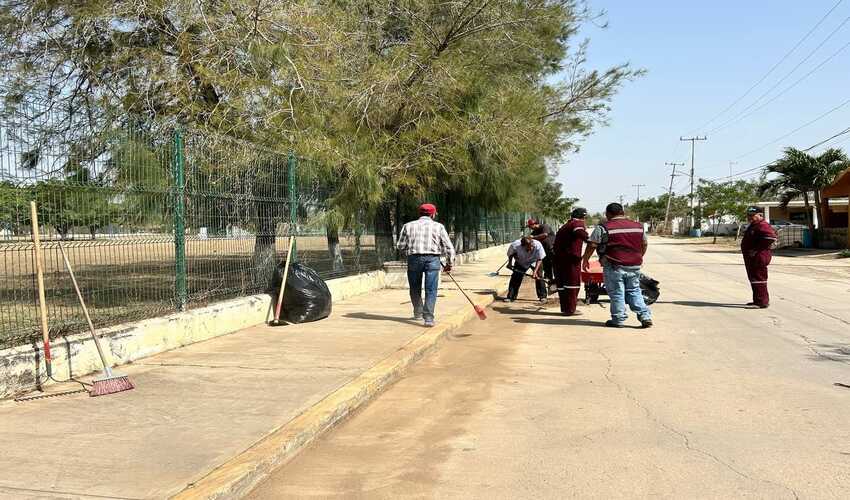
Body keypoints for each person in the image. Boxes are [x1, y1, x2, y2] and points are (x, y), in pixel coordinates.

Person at [581, 203, 652, 328]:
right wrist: (639, 256)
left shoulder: (603, 227)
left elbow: (592, 244)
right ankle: (645, 316)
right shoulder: (638, 226)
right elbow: (644, 243)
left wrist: (585, 259)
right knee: (634, 291)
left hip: (614, 265)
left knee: (617, 292)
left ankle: (618, 319)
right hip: (634, 265)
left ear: (608, 214)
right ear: (622, 212)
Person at [396, 203, 456, 327]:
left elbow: (400, 246)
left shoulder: (408, 226)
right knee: (431, 289)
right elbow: (449, 248)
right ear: (433, 214)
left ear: (420, 213)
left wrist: (409, 250)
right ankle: (428, 318)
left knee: (415, 288)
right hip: (432, 260)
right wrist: (449, 264)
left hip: (414, 259)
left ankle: (418, 313)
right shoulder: (438, 227)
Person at [553, 207, 589, 316]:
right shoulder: (577, 224)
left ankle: (565, 308)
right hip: (570, 260)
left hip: (559, 259)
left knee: (563, 285)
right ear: (583, 217)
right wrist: (590, 240)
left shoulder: (566, 225)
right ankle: (570, 309)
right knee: (572, 284)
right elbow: (581, 234)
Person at [740, 206, 777, 308]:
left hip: (758, 257)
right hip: (752, 258)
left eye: (752, 215)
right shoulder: (754, 225)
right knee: (754, 278)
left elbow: (770, 238)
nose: (749, 217)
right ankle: (757, 300)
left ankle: (761, 302)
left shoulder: (762, 225)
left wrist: (756, 249)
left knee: (758, 278)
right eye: (748, 215)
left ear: (760, 215)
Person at [505, 236, 547, 303]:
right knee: (516, 277)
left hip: (534, 261)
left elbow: (539, 259)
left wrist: (534, 272)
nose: (531, 248)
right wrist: (510, 263)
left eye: (532, 246)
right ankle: (511, 296)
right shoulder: (515, 245)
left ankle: (543, 296)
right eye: (528, 247)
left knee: (539, 276)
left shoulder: (538, 245)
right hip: (521, 261)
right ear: (523, 246)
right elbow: (510, 254)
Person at [527, 219, 556, 294]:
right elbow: (530, 238)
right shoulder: (535, 231)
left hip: (552, 250)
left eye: (530, 226)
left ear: (535, 224)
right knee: (547, 269)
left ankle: (559, 284)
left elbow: (544, 235)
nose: (530, 228)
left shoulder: (544, 226)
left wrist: (533, 237)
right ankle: (551, 286)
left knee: (555, 267)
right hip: (544, 252)